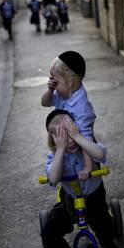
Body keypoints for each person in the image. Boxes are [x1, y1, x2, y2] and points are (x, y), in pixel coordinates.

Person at [41, 110, 120, 248]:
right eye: (64, 137)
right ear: (54, 141)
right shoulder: (54, 156)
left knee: (105, 230)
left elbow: (101, 155)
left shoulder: (85, 145)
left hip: (94, 196)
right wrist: (60, 150)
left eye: (71, 133)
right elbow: (53, 179)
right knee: (49, 231)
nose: (70, 141)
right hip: (70, 199)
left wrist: (79, 137)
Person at [41, 51, 95, 181]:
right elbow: (44, 103)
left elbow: (86, 138)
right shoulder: (62, 93)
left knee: (90, 195)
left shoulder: (82, 108)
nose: (53, 83)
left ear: (70, 82)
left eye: (56, 81)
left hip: (80, 152)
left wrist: (88, 168)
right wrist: (50, 90)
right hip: (64, 146)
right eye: (51, 79)